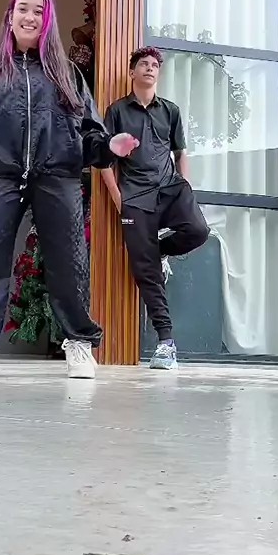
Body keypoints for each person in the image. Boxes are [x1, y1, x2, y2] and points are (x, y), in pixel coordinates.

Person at [0, 0, 138, 380]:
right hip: (0, 175)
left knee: (69, 261)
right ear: (10, 17)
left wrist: (110, 146)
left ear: (48, 21)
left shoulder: (66, 73)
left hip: (57, 175)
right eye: (23, 9)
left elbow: (88, 132)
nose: (30, 17)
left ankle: (78, 343)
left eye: (38, 11)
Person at [101, 47, 209, 371]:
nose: (150, 68)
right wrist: (119, 199)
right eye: (143, 64)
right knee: (146, 272)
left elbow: (180, 152)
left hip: (170, 190)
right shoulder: (117, 111)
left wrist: (184, 185)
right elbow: (103, 161)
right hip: (135, 198)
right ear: (131, 72)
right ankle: (166, 342)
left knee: (198, 231)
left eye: (154, 65)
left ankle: (157, 250)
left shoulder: (170, 110)